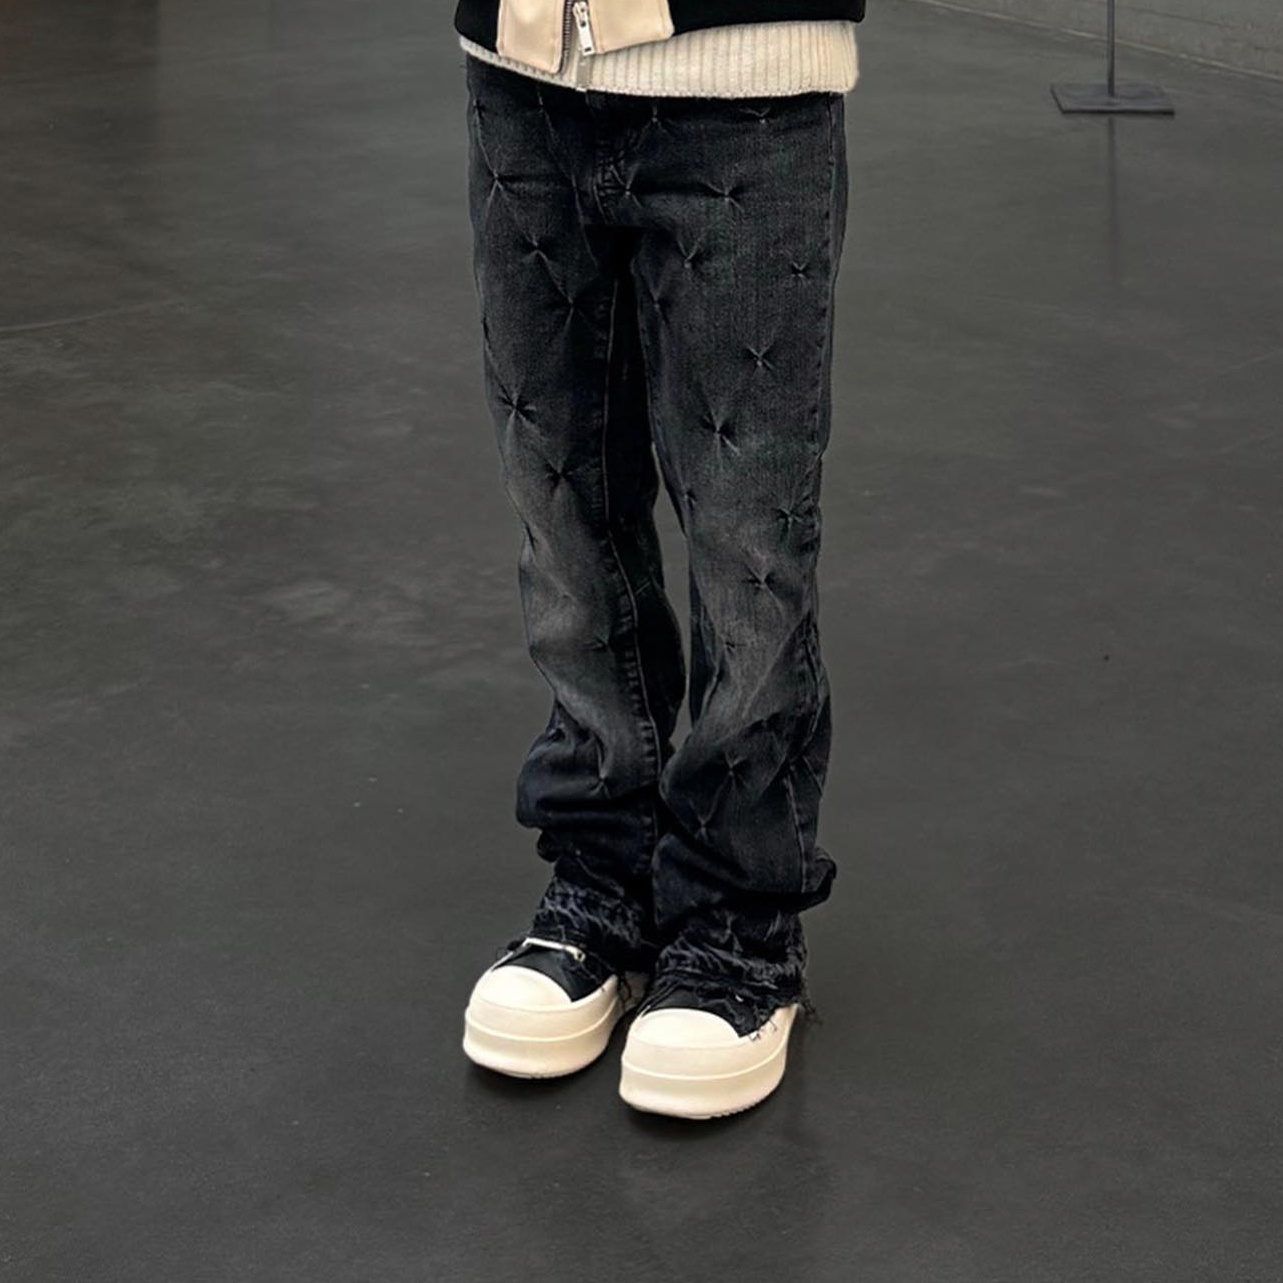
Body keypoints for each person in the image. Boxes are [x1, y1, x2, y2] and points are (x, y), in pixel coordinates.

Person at [455, 0, 863, 1120]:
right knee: (560, 512)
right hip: (521, 71)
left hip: (744, 82)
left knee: (746, 539)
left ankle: (737, 925)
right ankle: (603, 875)